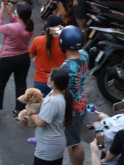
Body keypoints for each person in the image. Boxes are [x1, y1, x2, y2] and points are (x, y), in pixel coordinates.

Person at [0, 1, 34, 118]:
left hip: (8, 59)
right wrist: (11, 14)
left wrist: (1, 11)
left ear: (20, 14)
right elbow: (18, 24)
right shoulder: (29, 27)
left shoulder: (11, 27)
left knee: (0, 83)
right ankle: (20, 109)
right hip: (24, 58)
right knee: (21, 84)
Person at [30, 67, 72, 165]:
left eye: (49, 76)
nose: (47, 77)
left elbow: (40, 122)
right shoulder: (56, 94)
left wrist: (29, 111)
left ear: (53, 83)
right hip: (53, 145)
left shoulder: (54, 101)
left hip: (48, 148)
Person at [61, 25, 89, 165]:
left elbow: (58, 87)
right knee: (72, 140)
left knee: (74, 142)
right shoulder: (84, 54)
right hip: (81, 100)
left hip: (72, 108)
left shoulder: (66, 67)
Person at [29, 16, 67, 97]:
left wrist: (37, 59)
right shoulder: (66, 43)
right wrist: (65, 31)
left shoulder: (37, 40)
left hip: (40, 80)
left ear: (47, 25)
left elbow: (31, 55)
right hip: (59, 82)